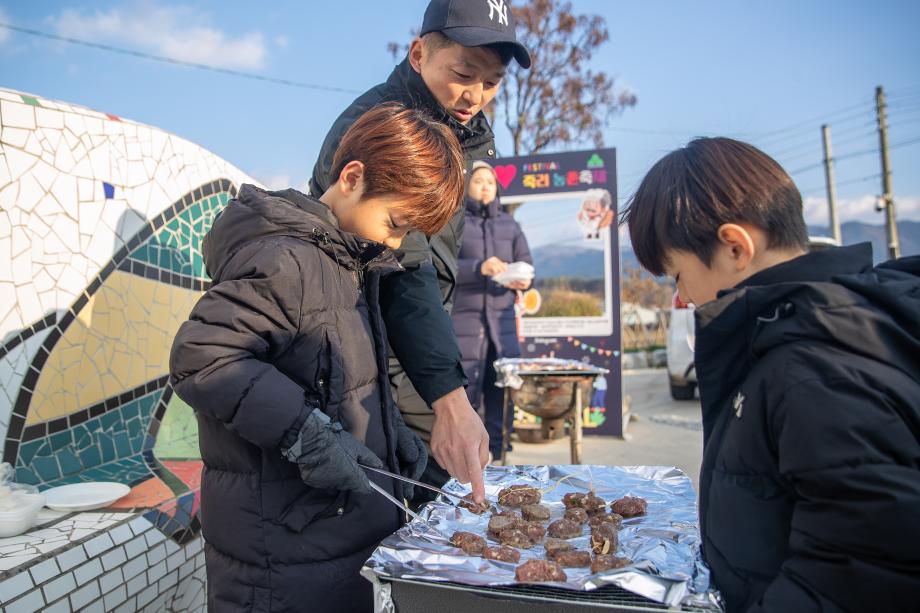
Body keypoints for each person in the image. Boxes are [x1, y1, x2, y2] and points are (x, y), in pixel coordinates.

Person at [168, 104, 465, 613]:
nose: (395, 242)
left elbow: (340, 381)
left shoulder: (351, 262)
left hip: (332, 543)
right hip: (279, 560)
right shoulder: (287, 259)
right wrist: (304, 433)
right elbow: (203, 357)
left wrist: (397, 448)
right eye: (395, 222)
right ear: (352, 177)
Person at [621, 136, 920, 612]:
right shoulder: (780, 340)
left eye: (677, 274)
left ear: (735, 247)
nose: (679, 298)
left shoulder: (818, 371)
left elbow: (856, 576)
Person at [308, 0, 532, 505]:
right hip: (373, 347)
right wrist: (448, 397)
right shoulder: (382, 133)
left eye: (492, 82)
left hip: (423, 342)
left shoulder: (461, 134)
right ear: (417, 54)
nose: (475, 95)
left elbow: (437, 260)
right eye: (463, 73)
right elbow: (403, 269)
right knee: (420, 494)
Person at [452, 161, 532, 461]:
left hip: (503, 325)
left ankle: (499, 459)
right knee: (466, 393)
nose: (485, 186)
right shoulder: (456, 221)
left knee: (502, 395)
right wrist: (478, 268)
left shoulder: (510, 225)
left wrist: (524, 277)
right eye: (478, 180)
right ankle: (465, 463)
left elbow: (526, 262)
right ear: (467, 186)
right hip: (465, 323)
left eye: (490, 181)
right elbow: (441, 269)